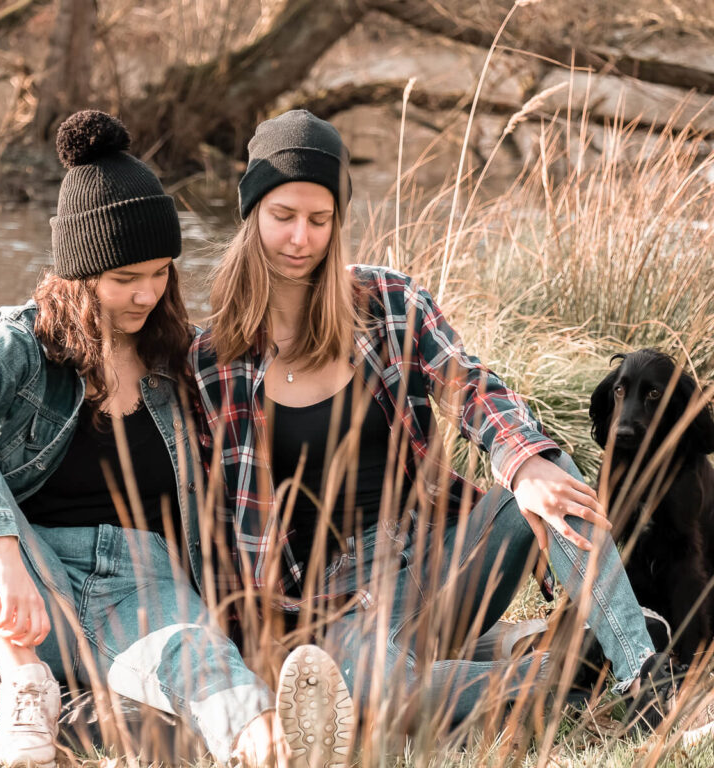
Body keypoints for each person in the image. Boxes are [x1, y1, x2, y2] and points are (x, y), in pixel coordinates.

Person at [191, 108, 710, 739]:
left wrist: (522, 465)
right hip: (331, 613)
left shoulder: (386, 303)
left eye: (319, 219)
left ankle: (642, 674)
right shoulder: (212, 363)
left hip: (439, 564)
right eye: (283, 217)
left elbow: (475, 391)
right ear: (250, 216)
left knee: (552, 473)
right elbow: (214, 531)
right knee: (377, 689)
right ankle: (554, 676)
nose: (301, 237)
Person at [0, 110, 339, 768]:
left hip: (141, 577)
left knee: (199, 661)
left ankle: (269, 744)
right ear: (79, 276)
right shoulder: (27, 340)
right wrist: (6, 554)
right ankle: (25, 682)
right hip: (21, 577)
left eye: (159, 273)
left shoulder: (179, 356)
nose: (146, 295)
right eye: (125, 280)